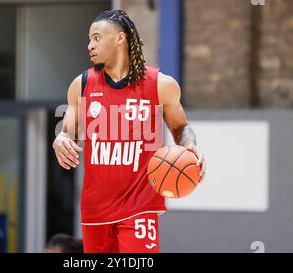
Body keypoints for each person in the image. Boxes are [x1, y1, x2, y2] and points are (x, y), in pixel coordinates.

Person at [52, 10, 207, 253]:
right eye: (89, 39)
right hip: (95, 208)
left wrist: (189, 146)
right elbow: (67, 131)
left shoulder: (160, 84)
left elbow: (181, 127)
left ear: (120, 38)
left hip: (140, 206)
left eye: (96, 38)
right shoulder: (81, 84)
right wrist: (61, 139)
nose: (90, 45)